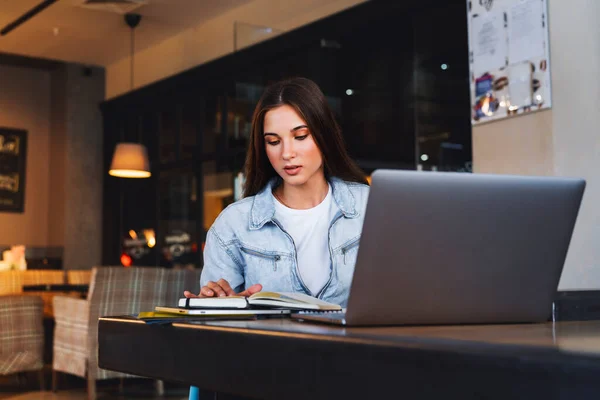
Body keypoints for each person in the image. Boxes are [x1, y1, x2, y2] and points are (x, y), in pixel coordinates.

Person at [184, 77, 369, 307]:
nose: (287, 153)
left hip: (357, 343)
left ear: (325, 136)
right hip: (273, 344)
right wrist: (214, 304)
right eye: (273, 141)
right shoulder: (234, 224)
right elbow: (217, 327)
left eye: (300, 136)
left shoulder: (370, 206)